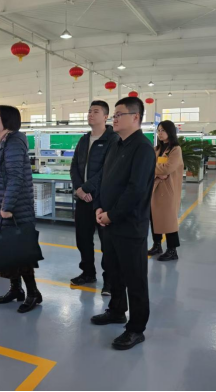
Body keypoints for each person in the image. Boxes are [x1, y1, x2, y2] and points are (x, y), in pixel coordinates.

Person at [91, 97, 156, 351]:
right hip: (108, 222)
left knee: (135, 278)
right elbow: (103, 179)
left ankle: (136, 329)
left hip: (129, 225)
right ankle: (117, 310)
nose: (114, 119)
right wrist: (99, 207)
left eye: (119, 114)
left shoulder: (142, 148)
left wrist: (112, 215)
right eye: (114, 115)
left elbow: (136, 190)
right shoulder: (115, 144)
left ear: (136, 117)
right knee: (114, 271)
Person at [0, 105, 42, 314]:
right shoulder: (1, 141)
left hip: (14, 209)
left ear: (7, 120)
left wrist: (7, 206)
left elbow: (15, 177)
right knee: (9, 251)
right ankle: (16, 289)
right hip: (1, 206)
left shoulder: (13, 142)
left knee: (21, 252)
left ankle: (33, 293)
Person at [70, 101, 119, 295]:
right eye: (89, 111)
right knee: (83, 238)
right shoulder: (84, 140)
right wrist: (79, 190)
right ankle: (88, 273)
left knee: (107, 242)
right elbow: (74, 167)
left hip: (103, 200)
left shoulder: (112, 140)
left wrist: (87, 188)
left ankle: (110, 281)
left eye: (95, 111)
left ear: (105, 116)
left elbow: (108, 169)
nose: (90, 114)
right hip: (83, 199)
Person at [149, 121, 184, 262]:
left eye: (163, 130)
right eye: (158, 130)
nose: (160, 133)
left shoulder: (175, 150)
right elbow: (149, 166)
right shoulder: (156, 149)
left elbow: (168, 168)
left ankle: (172, 250)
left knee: (169, 220)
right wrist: (158, 172)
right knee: (154, 218)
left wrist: (155, 170)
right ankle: (157, 245)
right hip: (155, 189)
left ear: (170, 132)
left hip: (168, 190)